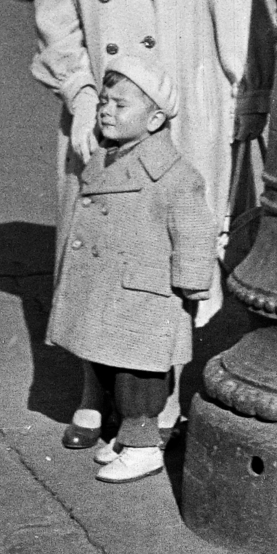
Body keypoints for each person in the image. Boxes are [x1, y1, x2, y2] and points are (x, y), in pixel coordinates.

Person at [32, 0, 273, 450]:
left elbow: (241, 9)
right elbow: (58, 24)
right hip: (103, 113)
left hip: (179, 106)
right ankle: (92, 387)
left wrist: (248, 96)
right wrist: (81, 94)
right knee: (92, 251)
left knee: (166, 253)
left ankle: (160, 391)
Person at [46, 60, 219, 482]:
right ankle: (126, 438)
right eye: (104, 101)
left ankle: (144, 447)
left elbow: (195, 230)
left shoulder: (174, 176)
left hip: (145, 293)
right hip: (115, 289)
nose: (105, 110)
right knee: (108, 365)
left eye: (120, 105)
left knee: (138, 380)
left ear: (155, 119)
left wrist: (193, 283)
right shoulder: (113, 156)